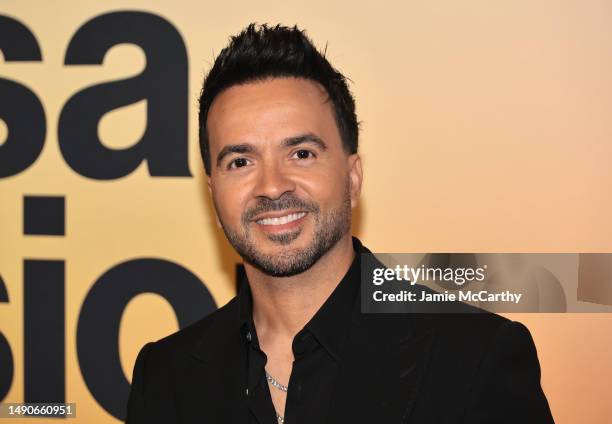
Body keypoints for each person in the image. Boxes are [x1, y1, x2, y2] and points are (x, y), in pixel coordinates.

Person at [126, 23, 554, 424]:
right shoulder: (163, 378)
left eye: (302, 154)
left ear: (352, 178)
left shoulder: (475, 359)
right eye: (240, 161)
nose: (272, 186)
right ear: (213, 191)